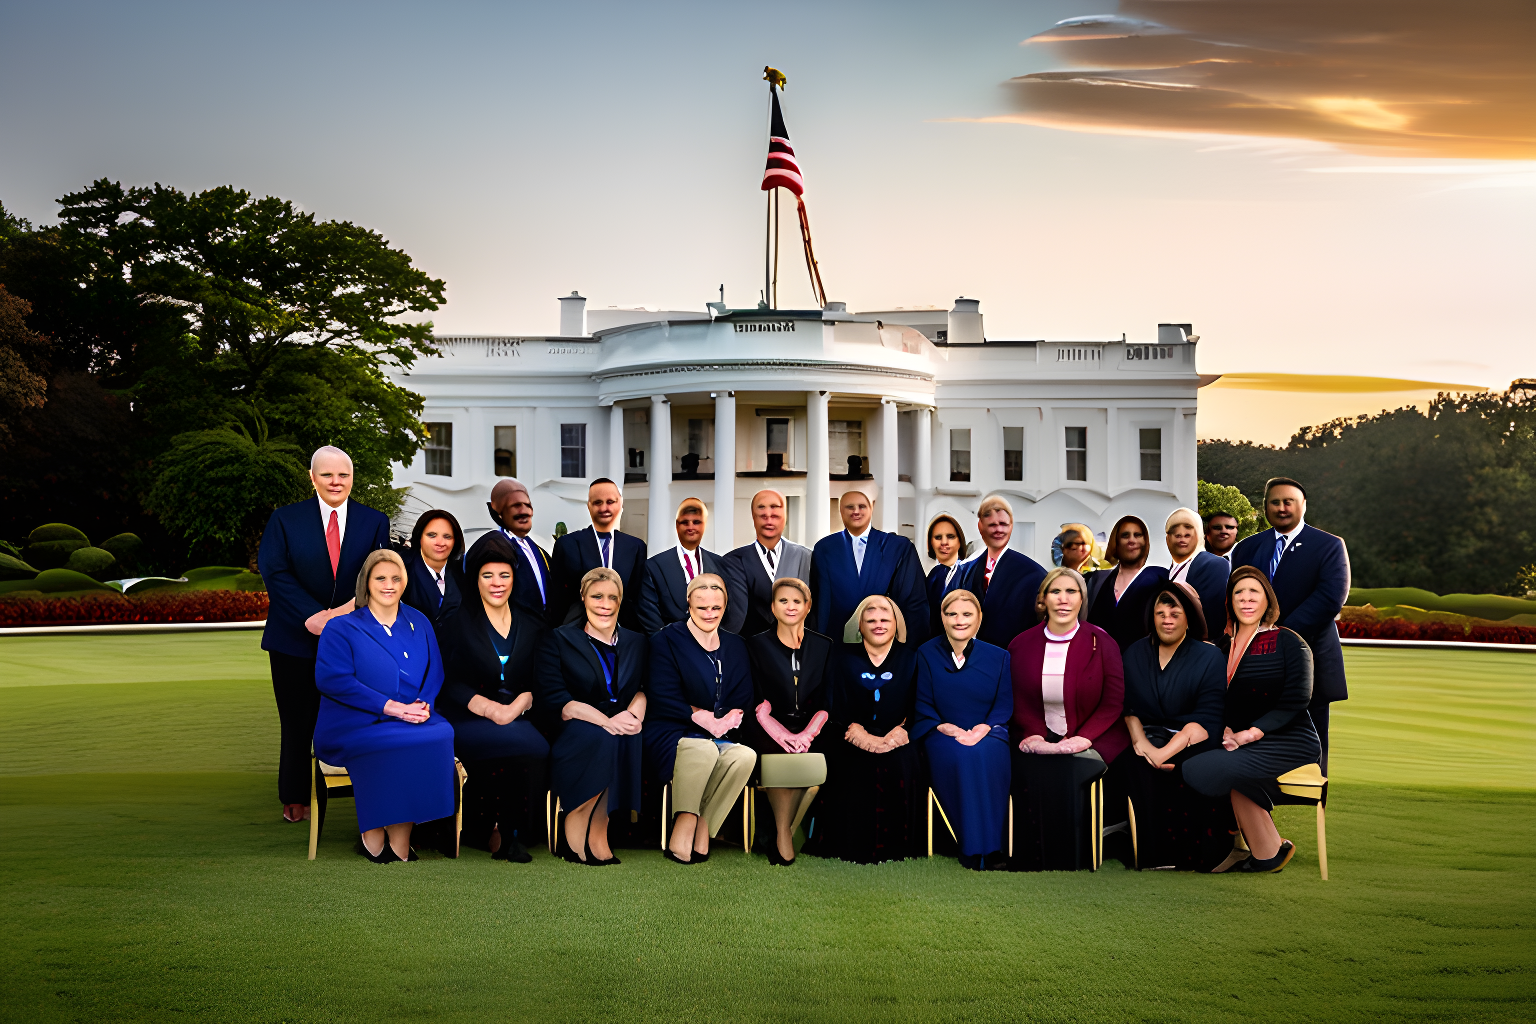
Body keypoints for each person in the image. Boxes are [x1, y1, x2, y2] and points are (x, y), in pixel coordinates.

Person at [257, 445, 392, 823]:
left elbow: (377, 573)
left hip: (353, 639)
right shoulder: (285, 519)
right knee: (298, 720)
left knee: (357, 714)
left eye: (344, 475)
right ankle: (295, 795)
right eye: (328, 474)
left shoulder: (373, 521)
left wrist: (340, 614)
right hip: (293, 639)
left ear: (352, 478)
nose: (336, 482)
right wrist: (312, 617)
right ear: (312, 478)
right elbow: (274, 570)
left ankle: (364, 790)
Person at [313, 549, 457, 862]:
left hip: (412, 716)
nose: (388, 584)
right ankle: (373, 829)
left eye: (396, 578)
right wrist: (391, 707)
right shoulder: (341, 627)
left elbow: (436, 670)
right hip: (354, 723)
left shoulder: (419, 621)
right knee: (396, 741)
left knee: (440, 733)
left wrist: (423, 704)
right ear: (366, 583)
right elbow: (333, 680)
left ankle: (401, 836)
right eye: (380, 578)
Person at [1184, 567, 1323, 873]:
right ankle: (1266, 853)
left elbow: (1296, 700)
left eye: (1254, 593)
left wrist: (1250, 734)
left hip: (1289, 740)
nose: (1246, 599)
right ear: (1230, 601)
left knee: (1203, 767)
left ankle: (1236, 844)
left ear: (1266, 600)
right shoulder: (1221, 647)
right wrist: (1226, 729)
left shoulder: (1287, 641)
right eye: (1238, 593)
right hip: (1239, 741)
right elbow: (1212, 698)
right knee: (1199, 759)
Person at [436, 533, 550, 864]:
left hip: (519, 714)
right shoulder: (456, 621)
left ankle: (510, 833)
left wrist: (515, 707)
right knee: (523, 745)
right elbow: (449, 681)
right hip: (468, 716)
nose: (496, 583)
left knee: (532, 746)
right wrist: (488, 709)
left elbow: (541, 679)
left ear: (515, 578)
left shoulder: (533, 622)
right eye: (487, 575)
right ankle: (487, 830)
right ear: (476, 579)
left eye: (504, 575)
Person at [1006, 568, 1130, 872]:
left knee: (1071, 766)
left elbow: (1113, 702)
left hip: (1095, 734)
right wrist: (1034, 735)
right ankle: (1032, 857)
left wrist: (1081, 739)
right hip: (1035, 732)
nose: (1063, 599)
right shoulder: (1021, 645)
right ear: (1043, 599)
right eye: (1055, 591)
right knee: (1029, 766)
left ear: (1082, 599)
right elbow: (1017, 698)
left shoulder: (1101, 642)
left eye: (1072, 592)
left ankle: (1073, 856)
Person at [1229, 477, 1349, 773]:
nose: (1281, 508)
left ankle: (1310, 795)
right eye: (1275, 502)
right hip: (1253, 661)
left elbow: (1330, 598)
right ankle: (1254, 795)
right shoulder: (1247, 548)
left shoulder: (1329, 546)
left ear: (1303, 506)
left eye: (1288, 502)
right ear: (1265, 507)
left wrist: (1278, 634)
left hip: (1310, 657)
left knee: (1313, 738)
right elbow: (1235, 596)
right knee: (1252, 734)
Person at [644, 574, 758, 864]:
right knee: (704, 748)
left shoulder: (735, 645)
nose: (709, 614)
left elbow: (743, 693)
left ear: (725, 607)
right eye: (701, 607)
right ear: (688, 604)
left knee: (744, 756)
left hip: (719, 731)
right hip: (672, 728)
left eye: (716, 608)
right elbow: (662, 694)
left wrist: (730, 717)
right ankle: (683, 823)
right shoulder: (666, 639)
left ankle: (705, 824)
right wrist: (702, 717)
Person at [1120, 581, 1233, 871]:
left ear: (1188, 618)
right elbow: (1129, 708)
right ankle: (1147, 853)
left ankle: (1190, 854)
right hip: (1146, 736)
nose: (1167, 620)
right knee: (1136, 765)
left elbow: (1209, 716)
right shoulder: (1134, 653)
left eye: (1175, 614)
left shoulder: (1208, 656)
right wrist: (1142, 745)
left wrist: (1165, 752)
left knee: (1191, 766)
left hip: (1192, 738)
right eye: (1161, 614)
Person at [538, 567, 648, 865]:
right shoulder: (560, 639)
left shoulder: (636, 641)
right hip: (576, 723)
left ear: (620, 601)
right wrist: (606, 721)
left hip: (618, 719)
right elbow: (559, 701)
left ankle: (600, 830)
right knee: (603, 738)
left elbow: (642, 689)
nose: (605, 603)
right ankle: (574, 821)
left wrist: (634, 716)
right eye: (597, 596)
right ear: (583, 597)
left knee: (627, 738)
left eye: (612, 597)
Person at [803, 594, 924, 864]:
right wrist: (855, 730)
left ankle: (898, 848)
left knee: (903, 762)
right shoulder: (841, 658)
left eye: (884, 619)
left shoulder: (913, 658)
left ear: (896, 624)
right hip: (850, 734)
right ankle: (846, 846)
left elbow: (922, 703)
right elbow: (830, 701)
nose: (878, 624)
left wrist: (901, 733)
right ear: (860, 626)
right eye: (870, 620)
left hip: (899, 735)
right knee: (852, 764)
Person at [914, 589, 1013, 871]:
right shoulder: (926, 653)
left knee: (984, 755)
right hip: (941, 733)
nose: (959, 620)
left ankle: (992, 848)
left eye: (967, 614)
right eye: (952, 613)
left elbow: (1003, 705)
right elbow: (922, 702)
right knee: (963, 756)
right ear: (942, 618)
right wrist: (947, 728)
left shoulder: (1000, 657)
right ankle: (970, 847)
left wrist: (982, 729)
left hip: (989, 733)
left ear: (979, 619)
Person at [745, 578, 834, 865]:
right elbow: (756, 701)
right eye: (783, 601)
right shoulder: (756, 644)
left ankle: (782, 829)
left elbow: (828, 700)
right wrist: (782, 733)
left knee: (814, 750)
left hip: (814, 724)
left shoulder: (824, 646)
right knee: (782, 753)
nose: (790, 606)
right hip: (767, 725)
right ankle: (784, 832)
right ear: (773, 607)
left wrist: (807, 733)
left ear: (808, 607)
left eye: (797, 601)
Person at [809, 489, 930, 645]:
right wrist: (819, 646)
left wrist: (910, 649)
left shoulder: (898, 548)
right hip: (837, 643)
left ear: (871, 508)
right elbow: (819, 604)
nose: (856, 511)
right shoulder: (824, 549)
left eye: (862, 506)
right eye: (850, 507)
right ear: (840, 511)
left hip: (887, 644)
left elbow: (914, 602)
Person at [944, 495, 1049, 650]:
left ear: (1011, 526)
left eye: (1003, 524)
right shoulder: (965, 570)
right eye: (992, 525)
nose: (998, 529)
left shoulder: (1034, 574)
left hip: (1012, 656)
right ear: (980, 526)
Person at [549, 478, 647, 630]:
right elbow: (557, 597)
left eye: (610, 502)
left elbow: (637, 598)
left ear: (620, 504)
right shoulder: (567, 544)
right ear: (589, 506)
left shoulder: (635, 547)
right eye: (597, 503)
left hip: (622, 631)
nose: (604, 508)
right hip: (577, 630)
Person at [720, 489, 813, 637]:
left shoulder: (805, 557)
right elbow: (736, 615)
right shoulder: (733, 560)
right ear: (753, 517)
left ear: (785, 517)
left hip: (796, 645)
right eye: (763, 516)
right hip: (750, 646)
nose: (769, 521)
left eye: (775, 516)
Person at [637, 496, 723, 634]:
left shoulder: (720, 564)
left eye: (696, 522)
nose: (690, 527)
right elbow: (649, 616)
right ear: (677, 526)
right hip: (670, 646)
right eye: (685, 522)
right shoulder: (654, 566)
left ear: (704, 524)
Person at [1085, 515, 1169, 653]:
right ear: (1116, 542)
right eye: (1125, 535)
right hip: (1100, 663)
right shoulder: (1097, 581)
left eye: (1137, 535)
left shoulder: (1159, 578)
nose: (1132, 540)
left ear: (1145, 541)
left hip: (1143, 664)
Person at [487, 477, 552, 620]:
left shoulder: (537, 548)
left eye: (527, 505)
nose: (524, 511)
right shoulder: (493, 549)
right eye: (516, 505)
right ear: (498, 511)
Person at [1164, 507, 1230, 626]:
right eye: (1177, 535)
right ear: (1167, 539)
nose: (1182, 539)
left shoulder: (1215, 564)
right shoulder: (1166, 572)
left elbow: (1213, 616)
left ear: (1199, 535)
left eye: (1187, 535)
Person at [402, 509, 465, 627]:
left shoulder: (464, 572)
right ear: (419, 537)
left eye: (447, 537)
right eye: (432, 535)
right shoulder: (401, 568)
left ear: (455, 541)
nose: (440, 542)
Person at [923, 513, 967, 642]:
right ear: (931, 543)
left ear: (960, 541)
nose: (944, 542)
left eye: (950, 537)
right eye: (938, 537)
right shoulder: (932, 575)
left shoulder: (968, 573)